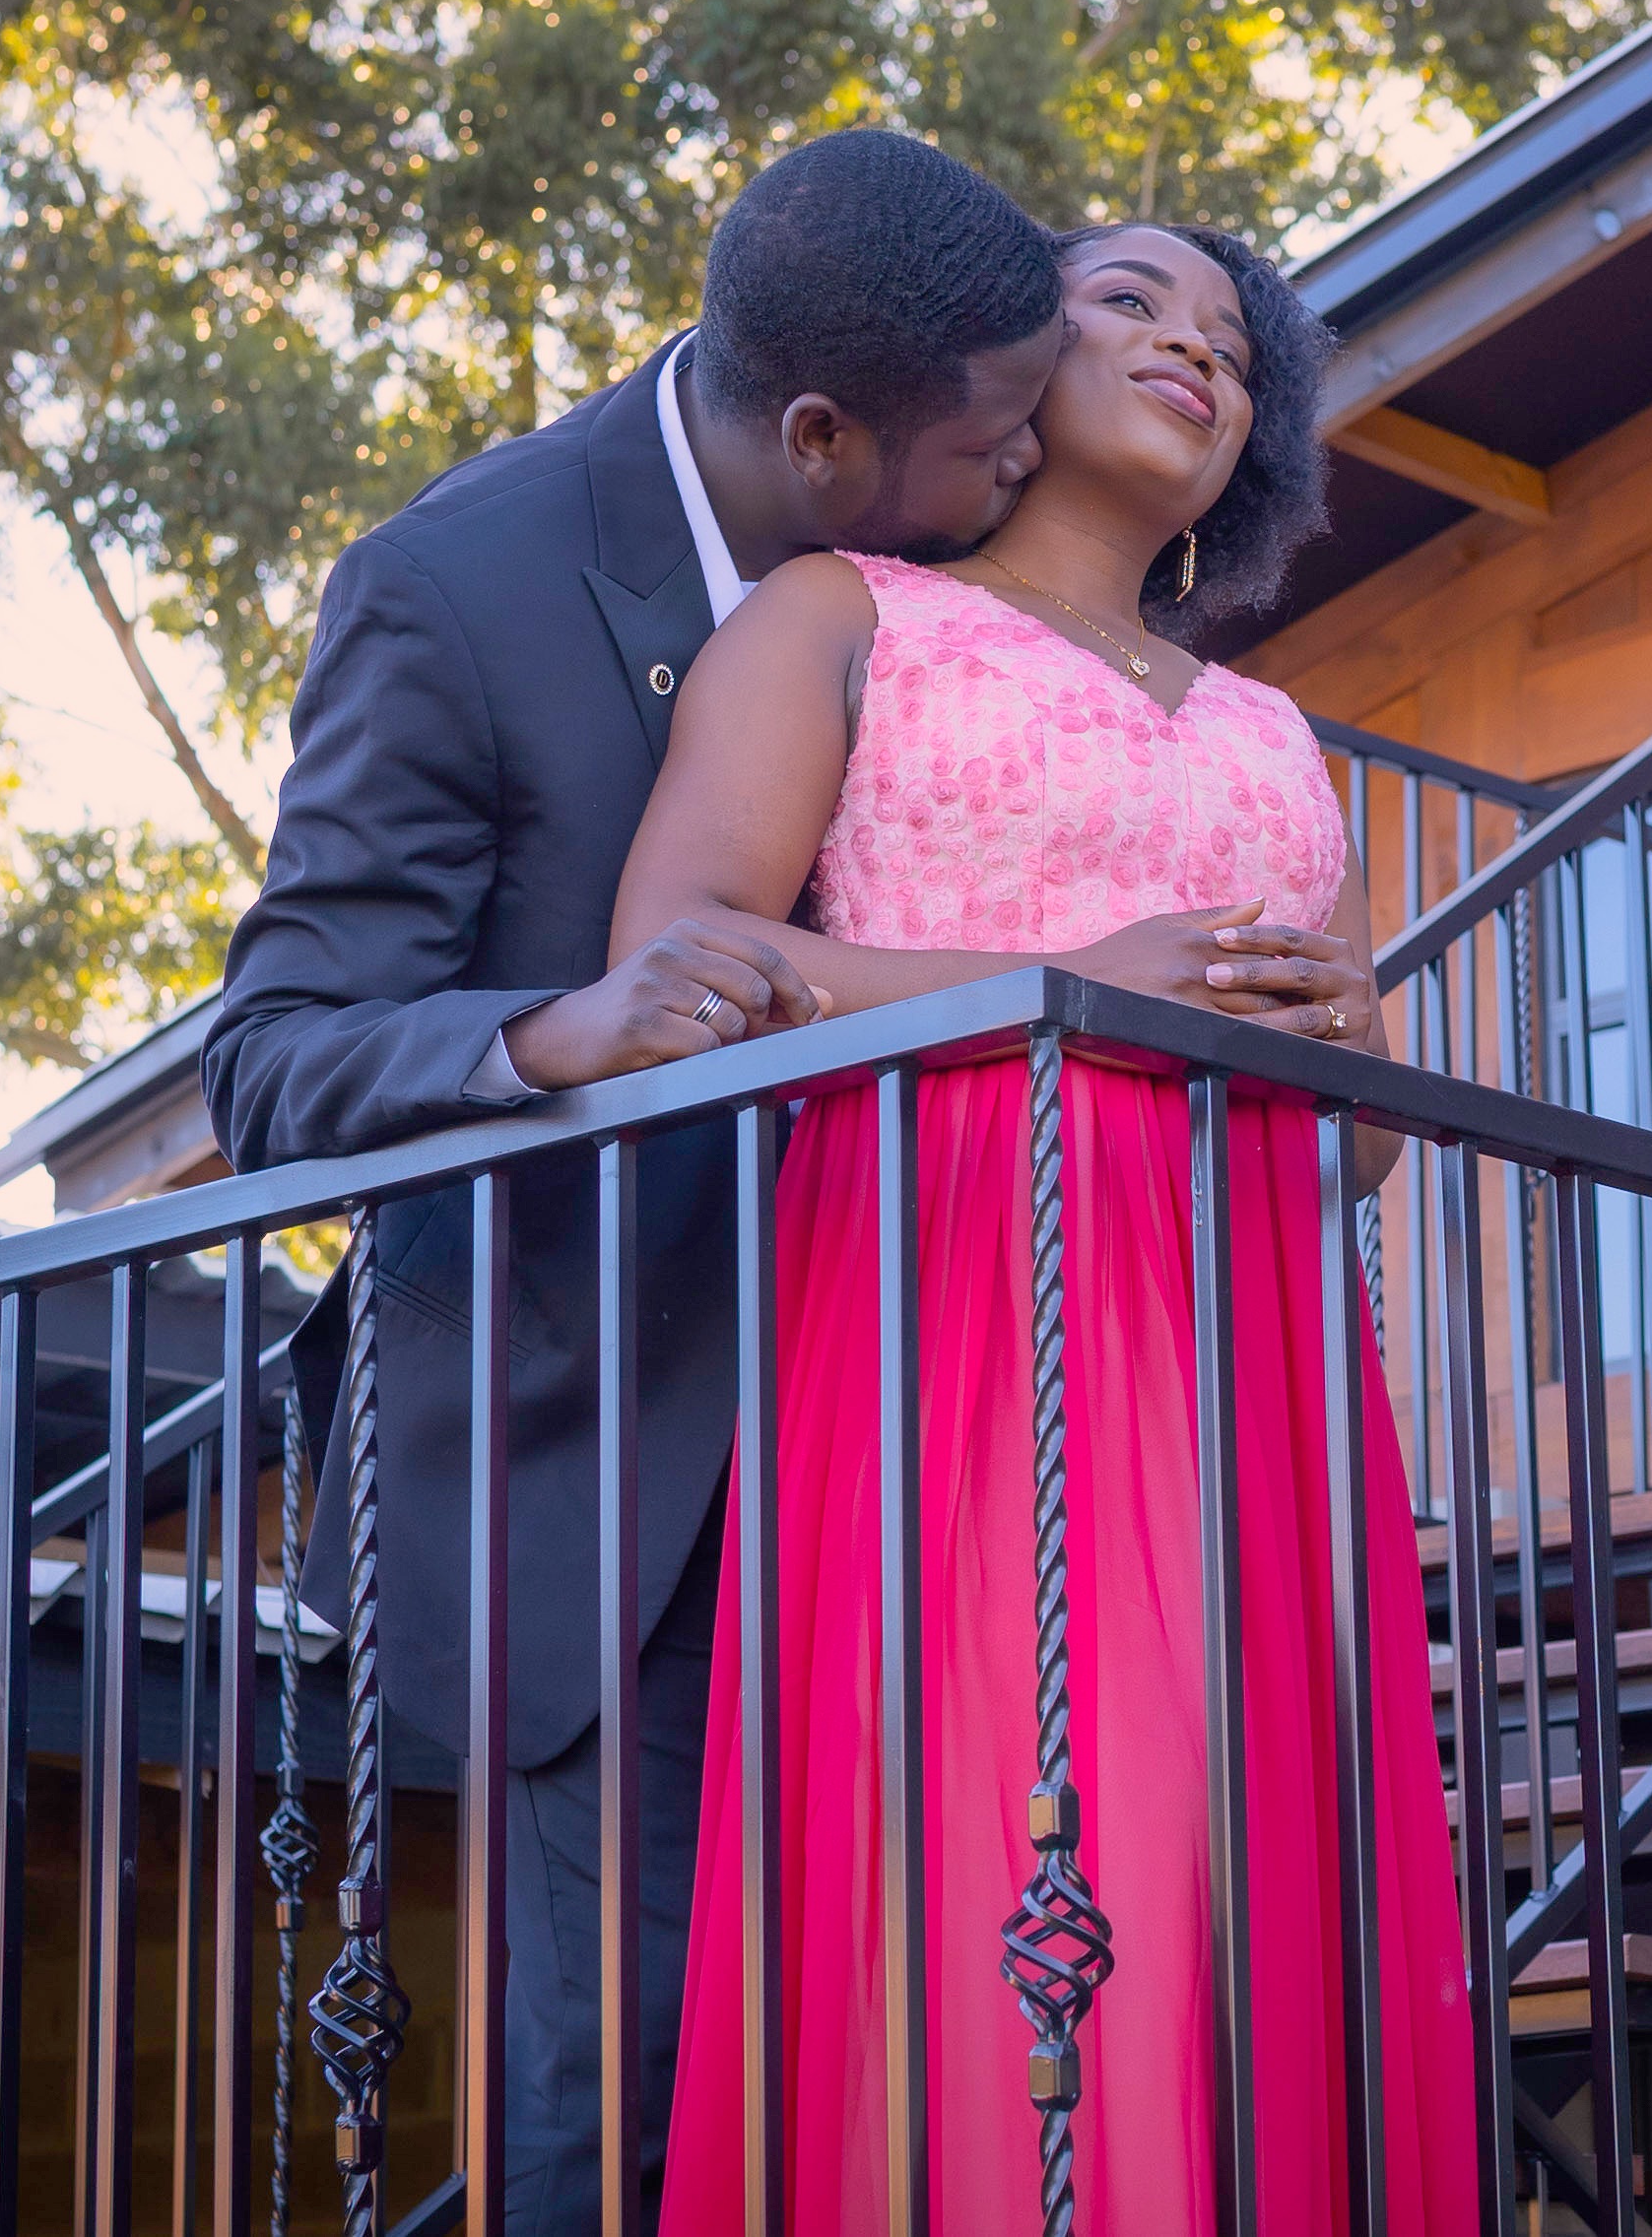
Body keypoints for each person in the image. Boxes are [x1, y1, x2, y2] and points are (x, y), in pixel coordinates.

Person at [204, 133, 1252, 2227]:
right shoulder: (460, 586)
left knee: (951, 2065)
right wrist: (549, 1034)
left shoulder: (952, 585)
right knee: (639, 2087)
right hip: (621, 1457)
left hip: (942, 1436)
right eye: (991, 439)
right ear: (824, 435)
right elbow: (271, 1055)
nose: (1023, 460)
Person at [622, 224, 1478, 2231]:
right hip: (955, 1288)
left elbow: (1356, 1152)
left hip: (1249, 1328)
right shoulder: (842, 614)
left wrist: (1358, 1057)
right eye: (1130, 302)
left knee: (1235, 1845)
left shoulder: (1274, 731)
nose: (1196, 348)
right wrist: (1063, 989)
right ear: (1009, 365)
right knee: (991, 1810)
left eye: (1236, 348)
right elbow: (679, 956)